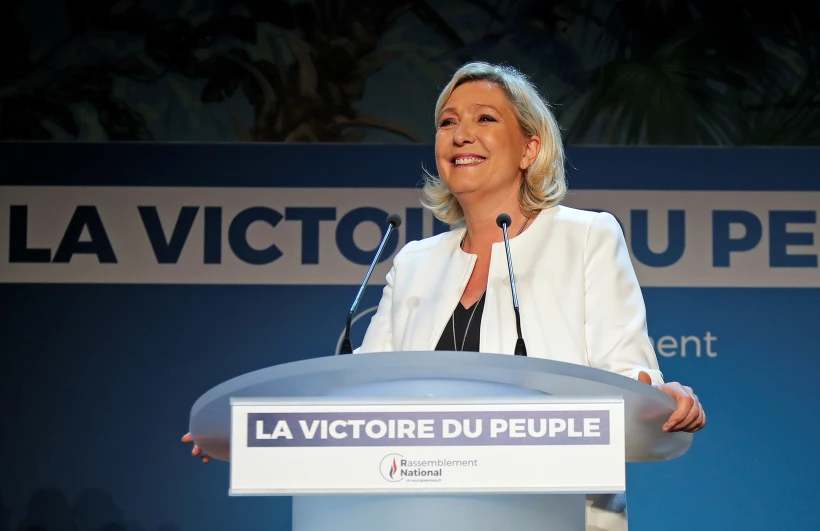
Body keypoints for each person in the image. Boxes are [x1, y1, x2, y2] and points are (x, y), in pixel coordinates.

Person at [183, 61, 706, 530]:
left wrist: (662, 400)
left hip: (553, 516)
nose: (461, 134)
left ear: (530, 147)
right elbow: (360, 399)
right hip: (413, 514)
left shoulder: (586, 236)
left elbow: (626, 378)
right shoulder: (413, 262)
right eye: (448, 122)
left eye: (484, 119)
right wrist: (249, 432)